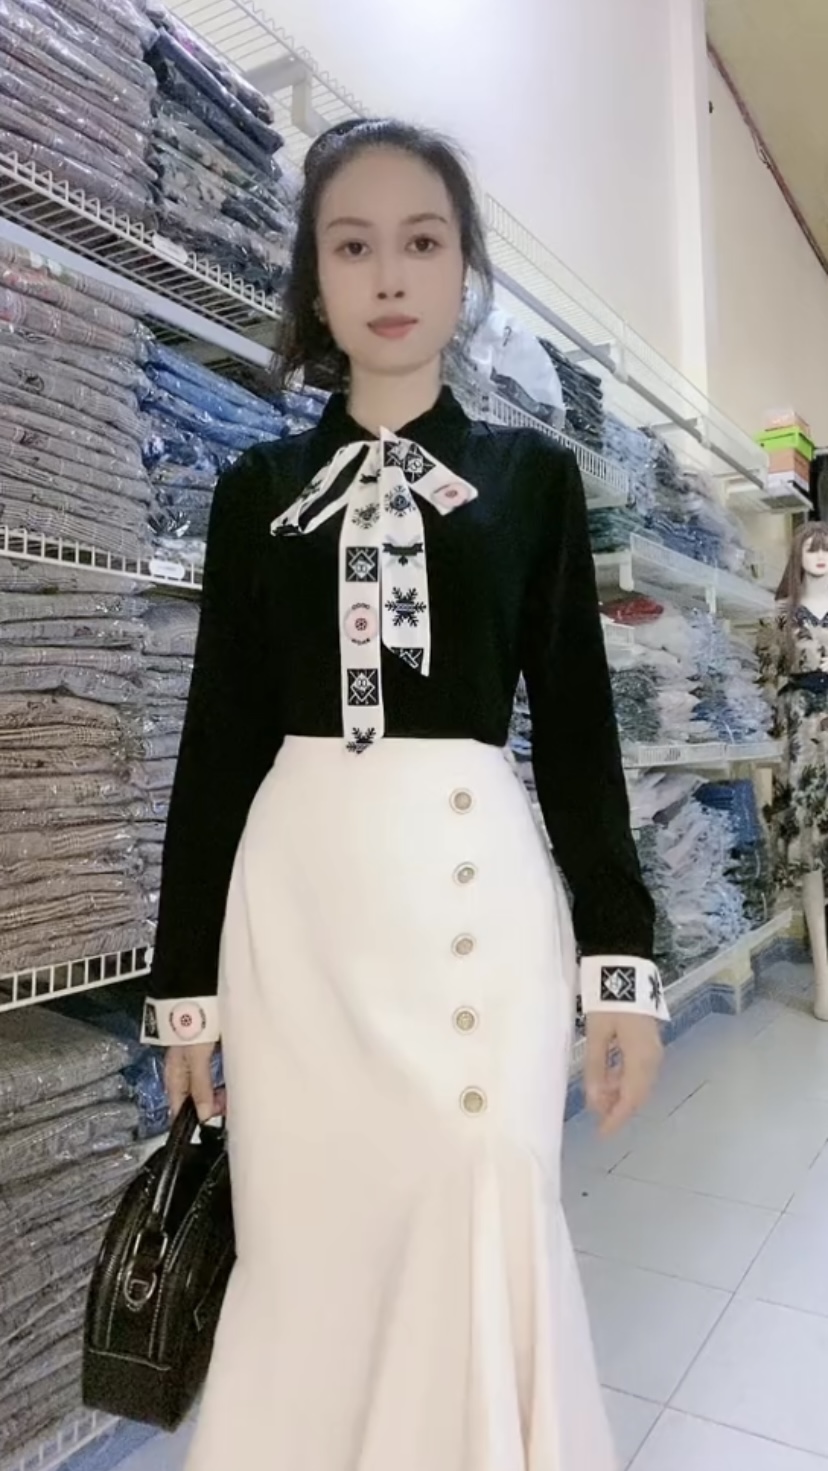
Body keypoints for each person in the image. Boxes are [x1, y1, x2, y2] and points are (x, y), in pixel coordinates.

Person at [143, 117, 665, 1471]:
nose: (389, 274)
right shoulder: (256, 487)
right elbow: (216, 746)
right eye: (353, 245)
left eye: (422, 242)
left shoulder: (534, 480)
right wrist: (185, 990)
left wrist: (621, 968)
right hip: (301, 928)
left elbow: (582, 735)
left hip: (479, 911)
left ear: (464, 270)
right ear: (314, 281)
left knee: (481, 1186)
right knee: (314, 1245)